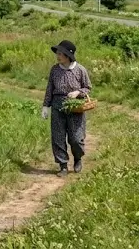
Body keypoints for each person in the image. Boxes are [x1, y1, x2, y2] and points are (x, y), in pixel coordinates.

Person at [40, 39, 92, 177]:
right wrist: (45, 106)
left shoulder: (80, 70)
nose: (57, 56)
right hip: (58, 106)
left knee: (76, 138)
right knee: (58, 137)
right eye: (57, 53)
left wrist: (78, 92)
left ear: (68, 55)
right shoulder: (55, 70)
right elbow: (50, 89)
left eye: (60, 54)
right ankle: (63, 165)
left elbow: (88, 87)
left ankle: (78, 158)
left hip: (75, 107)